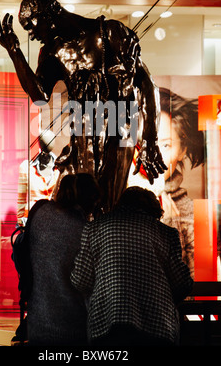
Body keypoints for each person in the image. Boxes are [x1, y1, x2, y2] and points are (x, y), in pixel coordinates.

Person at [0, 0, 166, 211]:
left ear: (50, 14)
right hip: (82, 131)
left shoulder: (110, 33)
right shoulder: (52, 52)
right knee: (75, 205)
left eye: (31, 26)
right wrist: (14, 52)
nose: (31, 35)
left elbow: (146, 84)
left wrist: (149, 140)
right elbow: (40, 96)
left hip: (119, 127)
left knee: (106, 204)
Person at [71, 186, 193, 346]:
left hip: (107, 325)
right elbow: (181, 284)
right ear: (154, 210)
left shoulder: (94, 229)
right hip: (157, 328)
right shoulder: (166, 233)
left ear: (120, 205)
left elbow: (80, 280)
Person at [128, 88, 205, 278]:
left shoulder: (192, 214)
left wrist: (171, 229)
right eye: (144, 144)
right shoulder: (113, 204)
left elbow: (192, 286)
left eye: (165, 145)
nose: (153, 157)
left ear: (182, 149)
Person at [26, 172, 101, 346]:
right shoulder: (85, 231)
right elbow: (84, 282)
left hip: (37, 322)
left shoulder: (40, 212)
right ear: (89, 201)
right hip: (71, 327)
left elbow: (20, 255)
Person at [17, 130, 59, 226]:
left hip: (53, 223)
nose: (47, 143)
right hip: (32, 222)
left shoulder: (59, 168)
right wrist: (21, 223)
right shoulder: (26, 168)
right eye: (44, 140)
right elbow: (21, 199)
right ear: (39, 143)